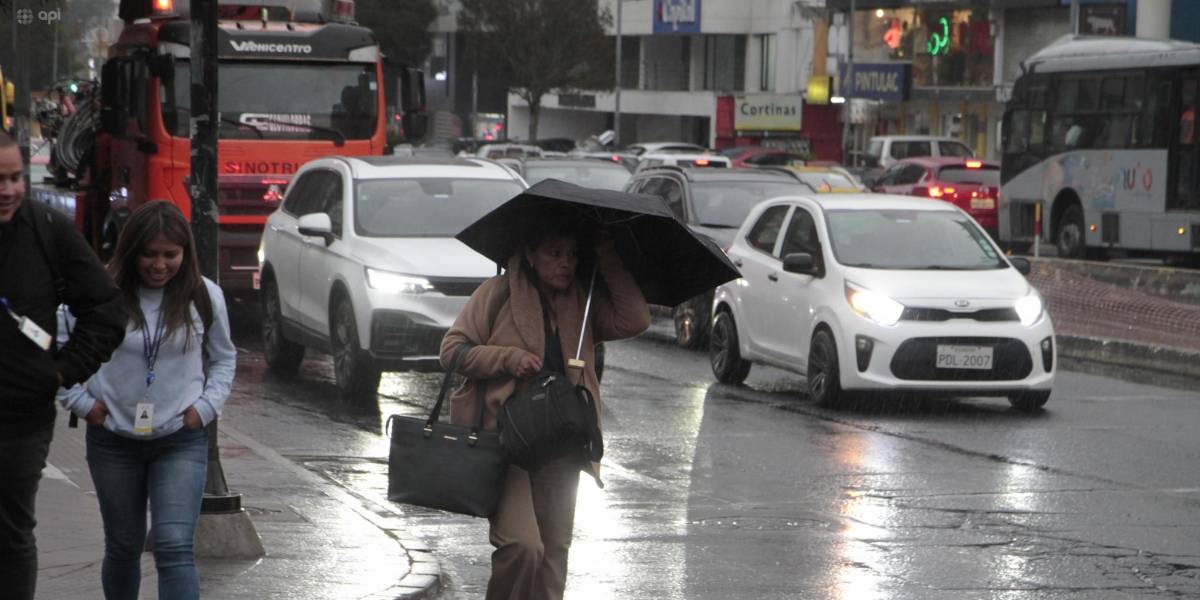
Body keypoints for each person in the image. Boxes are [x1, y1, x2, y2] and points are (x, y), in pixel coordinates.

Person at [440, 214, 650, 600]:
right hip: (508, 443)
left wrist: (606, 254)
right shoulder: (498, 293)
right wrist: (507, 358)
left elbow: (635, 318)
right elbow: (452, 350)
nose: (565, 263)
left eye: (572, 254)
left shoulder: (583, 302)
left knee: (554, 556)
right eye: (554, 253)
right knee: (523, 546)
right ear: (531, 254)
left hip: (564, 445)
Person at [57, 201, 236, 600]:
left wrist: (204, 410)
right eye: (149, 254)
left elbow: (224, 358)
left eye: (170, 255)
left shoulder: (204, 296)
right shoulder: (99, 293)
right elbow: (58, 353)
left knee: (174, 545)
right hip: (113, 441)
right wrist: (84, 404)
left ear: (185, 254)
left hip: (181, 439)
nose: (159, 265)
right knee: (123, 546)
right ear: (131, 251)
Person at [0, 131, 127, 600]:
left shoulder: (46, 230)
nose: (7, 190)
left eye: (15, 178)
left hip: (20, 421)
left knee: (11, 534)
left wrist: (60, 373)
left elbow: (107, 309)